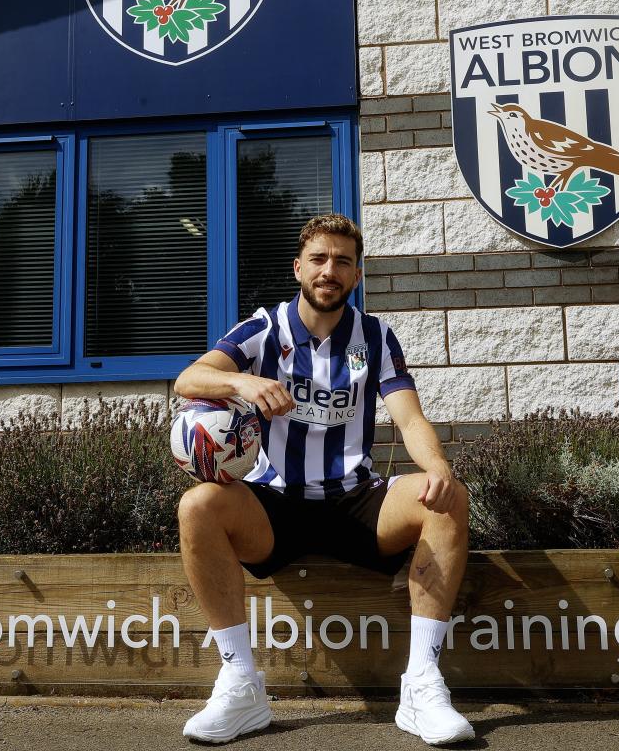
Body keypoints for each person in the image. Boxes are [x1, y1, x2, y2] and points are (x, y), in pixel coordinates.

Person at [173, 213, 474, 746]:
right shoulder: (264, 328)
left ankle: (422, 685)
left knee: (445, 501)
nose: (328, 270)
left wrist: (438, 469)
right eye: (318, 258)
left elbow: (408, 417)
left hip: (355, 501)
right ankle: (241, 685)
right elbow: (189, 379)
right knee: (198, 505)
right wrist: (242, 382)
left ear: (356, 275)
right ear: (298, 267)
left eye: (342, 261)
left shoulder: (376, 336)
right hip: (274, 505)